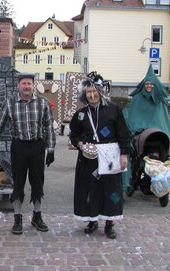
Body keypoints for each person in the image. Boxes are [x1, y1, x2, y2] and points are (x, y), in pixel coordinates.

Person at [0, 72, 56, 235]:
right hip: (19, 147)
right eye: (23, 83)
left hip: (37, 146)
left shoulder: (42, 103)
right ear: (18, 86)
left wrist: (50, 149)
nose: (26, 86)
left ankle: (37, 216)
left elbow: (48, 128)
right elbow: (0, 125)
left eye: (29, 83)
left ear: (33, 85)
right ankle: (17, 217)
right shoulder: (10, 103)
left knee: (37, 182)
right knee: (18, 182)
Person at [69, 71, 130, 239]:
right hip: (88, 160)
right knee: (90, 189)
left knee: (110, 189)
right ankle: (92, 220)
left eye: (94, 91)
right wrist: (81, 144)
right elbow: (73, 135)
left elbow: (124, 134)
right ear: (85, 94)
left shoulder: (113, 110)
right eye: (88, 92)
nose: (92, 94)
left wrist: (123, 155)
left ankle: (109, 223)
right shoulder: (81, 114)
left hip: (109, 158)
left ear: (100, 92)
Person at [127, 65, 170, 143]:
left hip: (158, 132)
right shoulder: (137, 98)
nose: (149, 86)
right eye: (147, 84)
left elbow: (162, 118)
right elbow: (134, 116)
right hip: (140, 131)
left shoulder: (160, 99)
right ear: (144, 85)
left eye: (151, 84)